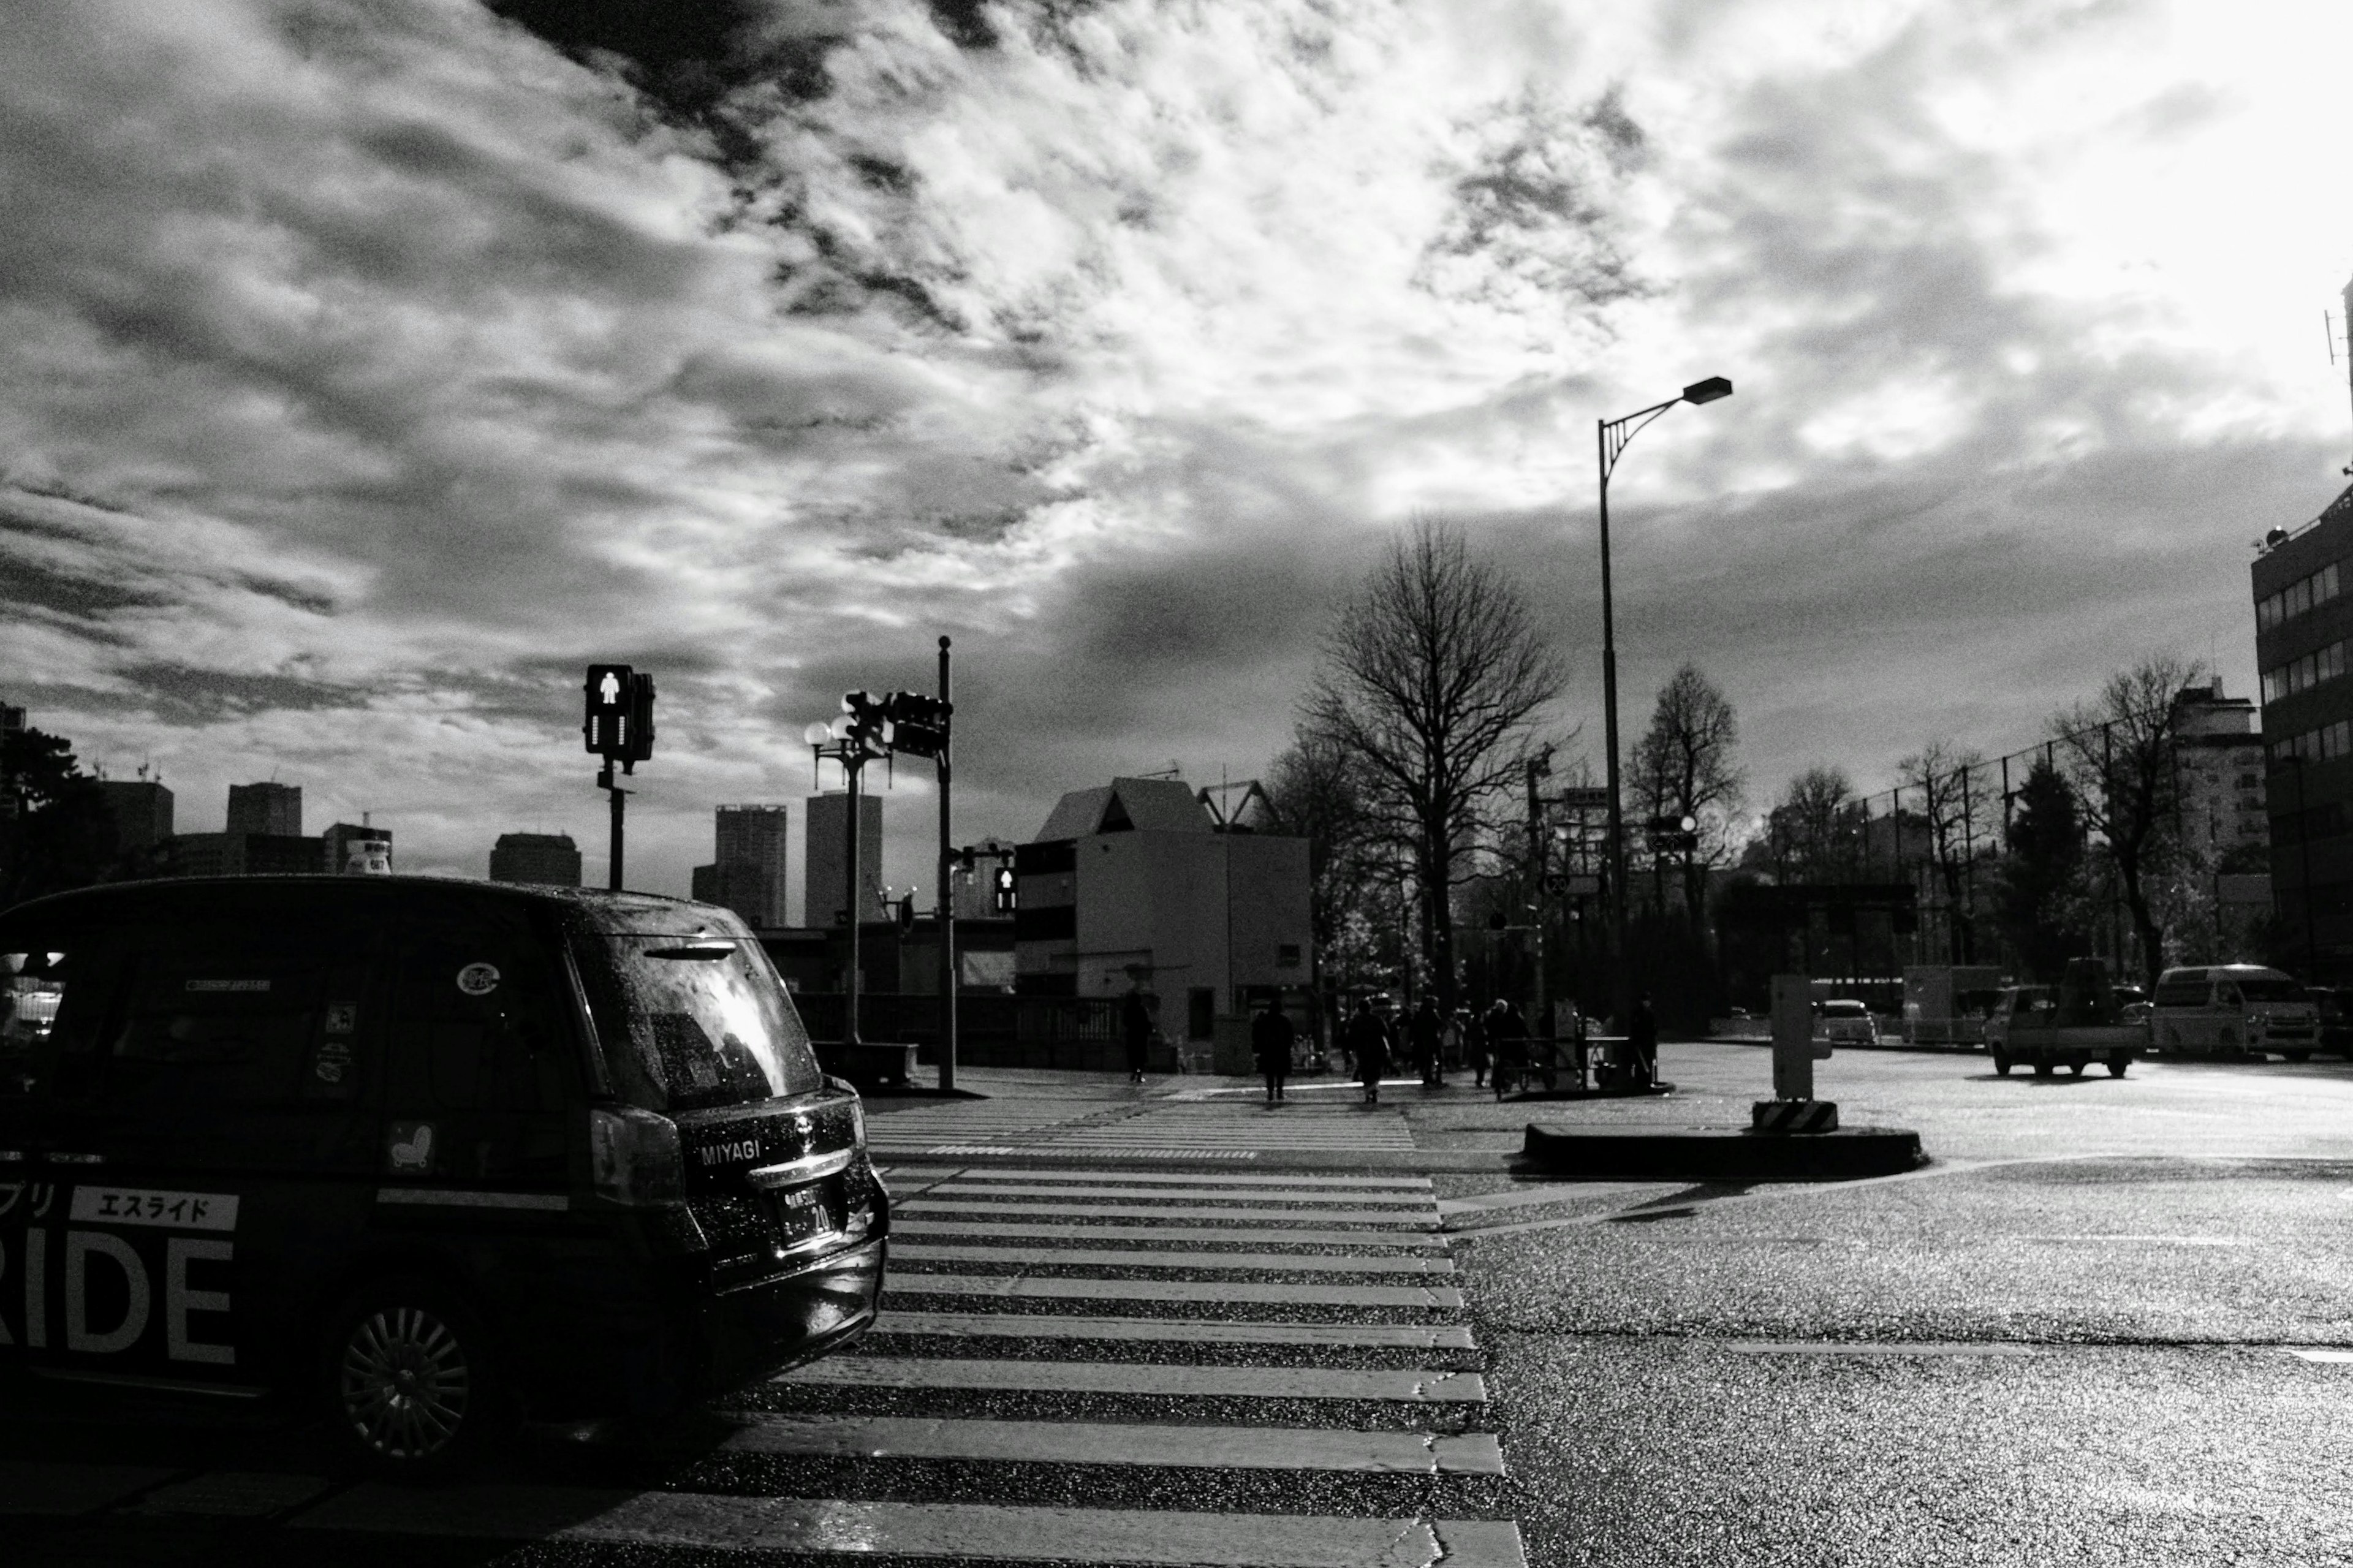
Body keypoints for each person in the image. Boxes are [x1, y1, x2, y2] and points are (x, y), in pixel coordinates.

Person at [1347, 996, 1392, 1105]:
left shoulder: (1355, 1021)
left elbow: (1350, 1036)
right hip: (1377, 1048)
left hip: (1362, 1049)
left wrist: (1349, 1048)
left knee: (1365, 1071)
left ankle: (1368, 1092)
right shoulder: (1377, 1019)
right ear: (1370, 1008)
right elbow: (1386, 1032)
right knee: (1376, 1070)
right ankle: (1374, 1088)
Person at [1252, 996, 1296, 1105]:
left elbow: (1257, 1034)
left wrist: (1259, 1047)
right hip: (1281, 1050)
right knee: (1280, 1073)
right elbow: (1290, 1036)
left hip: (1268, 1051)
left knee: (1270, 1073)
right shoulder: (1284, 1020)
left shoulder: (1265, 1020)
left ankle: (1271, 1092)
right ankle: (1280, 1092)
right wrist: (1288, 1046)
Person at [1487, 998, 1526, 1097]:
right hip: (1517, 1045)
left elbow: (1498, 1030)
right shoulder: (1519, 1019)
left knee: (1501, 1062)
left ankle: (1499, 1082)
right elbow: (1525, 1030)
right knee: (1520, 1060)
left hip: (1504, 1045)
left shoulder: (1502, 1018)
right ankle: (1513, 1079)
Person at [1408, 995, 1444, 1088]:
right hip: (1433, 1038)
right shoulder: (1432, 1012)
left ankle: (1427, 1077)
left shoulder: (1421, 1013)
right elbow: (1439, 1023)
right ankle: (1437, 1079)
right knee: (1439, 1058)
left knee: (1428, 1059)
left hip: (1425, 1039)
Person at [1121, 983, 1153, 1083]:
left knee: (1132, 1056)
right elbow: (1147, 1022)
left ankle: (1134, 1072)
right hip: (1141, 1036)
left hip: (1131, 1035)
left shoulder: (1128, 1009)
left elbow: (1124, 1022)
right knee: (1141, 1057)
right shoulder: (1142, 1009)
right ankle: (1139, 1074)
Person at [1627, 991, 1659, 1088]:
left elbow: (1654, 1029)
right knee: (1639, 1063)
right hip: (1640, 1043)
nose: (1647, 1003)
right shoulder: (1637, 1012)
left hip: (1649, 1043)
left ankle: (1648, 1081)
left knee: (1649, 1062)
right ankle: (1640, 1082)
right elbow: (1634, 1027)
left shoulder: (1650, 1012)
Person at [1464, 1006, 1490, 1088]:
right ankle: (1480, 1080)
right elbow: (1484, 1035)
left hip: (1474, 1046)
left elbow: (1467, 1035)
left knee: (1478, 1065)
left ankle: (1479, 1079)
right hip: (1481, 1047)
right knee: (1481, 1065)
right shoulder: (1480, 1026)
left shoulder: (1472, 1025)